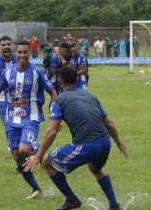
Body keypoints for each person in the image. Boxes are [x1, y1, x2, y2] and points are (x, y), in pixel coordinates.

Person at [24, 66, 127, 210]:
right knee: (95, 168)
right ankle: (114, 205)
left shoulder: (58, 101)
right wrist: (119, 143)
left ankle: (71, 200)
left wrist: (37, 156)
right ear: (77, 79)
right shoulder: (91, 96)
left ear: (60, 82)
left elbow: (51, 131)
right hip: (105, 143)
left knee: (47, 162)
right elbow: (109, 123)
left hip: (87, 146)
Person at [0, 39, 57, 199]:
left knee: (24, 150)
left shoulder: (37, 72)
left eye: (25, 52)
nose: (22, 55)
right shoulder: (7, 73)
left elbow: (53, 93)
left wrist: (55, 114)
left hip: (31, 117)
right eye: (20, 52)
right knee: (16, 155)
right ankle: (37, 189)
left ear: (30, 53)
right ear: (17, 53)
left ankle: (37, 151)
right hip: (11, 119)